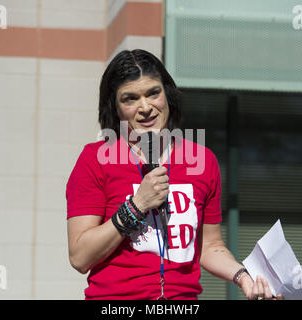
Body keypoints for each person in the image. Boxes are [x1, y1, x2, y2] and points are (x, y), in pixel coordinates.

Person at [66, 49, 282, 300]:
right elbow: (80, 257)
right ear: (115, 107)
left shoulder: (202, 161)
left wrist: (244, 276)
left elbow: (210, 247)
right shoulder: (96, 159)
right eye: (130, 99)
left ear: (167, 94)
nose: (145, 107)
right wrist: (136, 206)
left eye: (153, 93)